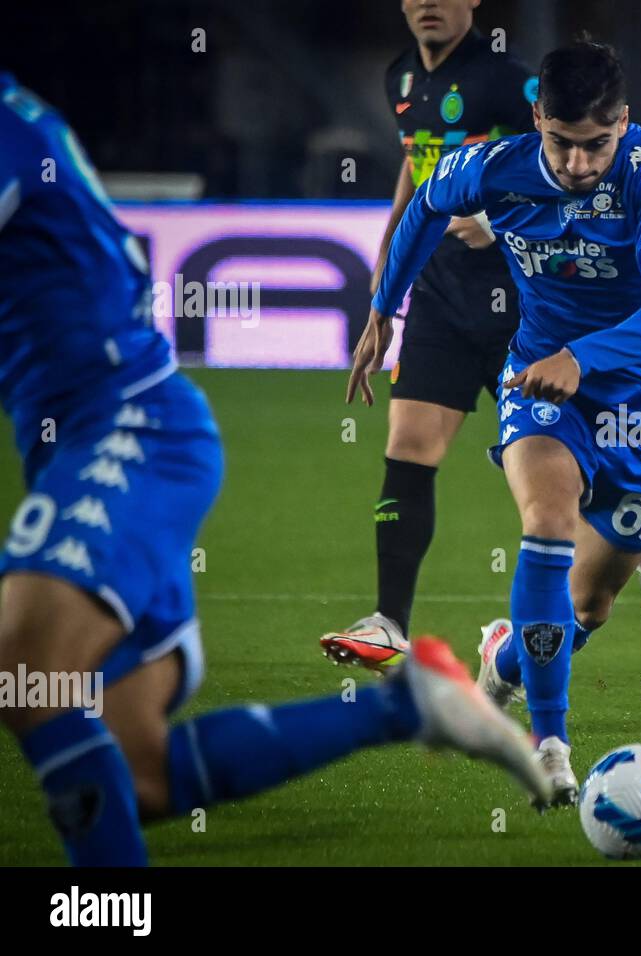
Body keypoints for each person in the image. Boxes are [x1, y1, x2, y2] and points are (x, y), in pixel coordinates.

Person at [0, 73, 549, 866]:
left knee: (27, 668)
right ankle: (407, 706)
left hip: (130, 433)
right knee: (137, 769)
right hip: (80, 449)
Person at [354, 39, 641, 801]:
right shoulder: (497, 165)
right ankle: (550, 747)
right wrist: (386, 308)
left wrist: (584, 357)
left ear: (623, 123)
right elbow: (425, 204)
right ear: (537, 119)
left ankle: (507, 653)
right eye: (562, 143)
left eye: (597, 146)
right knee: (546, 524)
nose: (580, 165)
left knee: (588, 606)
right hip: (545, 383)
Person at [325, 1, 641, 672]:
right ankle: (388, 621)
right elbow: (422, 174)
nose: (429, 4)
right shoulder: (401, 78)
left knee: (570, 479)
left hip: (523, 296)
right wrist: (386, 286)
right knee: (411, 444)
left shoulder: (513, 81)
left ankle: (638, 527)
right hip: (441, 291)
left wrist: (499, 222)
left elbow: (553, 159)